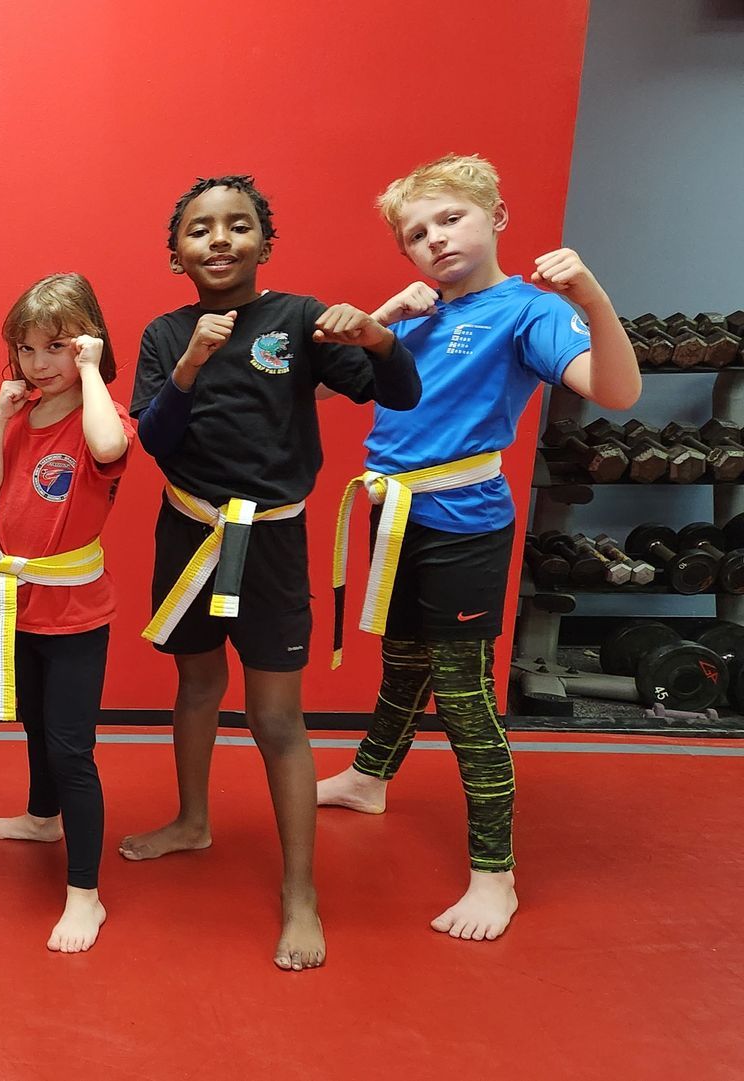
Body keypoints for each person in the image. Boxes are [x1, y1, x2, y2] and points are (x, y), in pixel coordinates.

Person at [317, 153, 640, 942]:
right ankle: (368, 777)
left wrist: (591, 295)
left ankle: (495, 874)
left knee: (465, 696)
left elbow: (617, 390)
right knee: (402, 660)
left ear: (495, 217)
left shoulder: (528, 311)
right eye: (416, 233)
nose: (434, 238)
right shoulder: (415, 313)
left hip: (463, 522)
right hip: (395, 514)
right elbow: (320, 386)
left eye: (450, 218)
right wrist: (384, 316)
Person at [119, 175, 421, 971]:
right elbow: (154, 440)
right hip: (190, 530)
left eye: (238, 224)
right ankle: (192, 820)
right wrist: (191, 361)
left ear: (264, 243)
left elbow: (399, 394)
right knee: (196, 685)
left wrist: (380, 340)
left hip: (273, 543)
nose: (219, 239)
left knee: (276, 718)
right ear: (176, 252)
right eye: (200, 228)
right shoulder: (165, 333)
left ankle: (300, 890)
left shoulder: (298, 319)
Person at [0, 273, 133, 953]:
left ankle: (86, 894)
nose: (37, 362)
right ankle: (42, 816)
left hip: (76, 610)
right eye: (25, 349)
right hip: (18, 604)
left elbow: (109, 449)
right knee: (35, 723)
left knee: (71, 747)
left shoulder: (101, 418)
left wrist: (91, 373)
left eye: (56, 346)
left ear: (87, 344)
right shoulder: (20, 416)